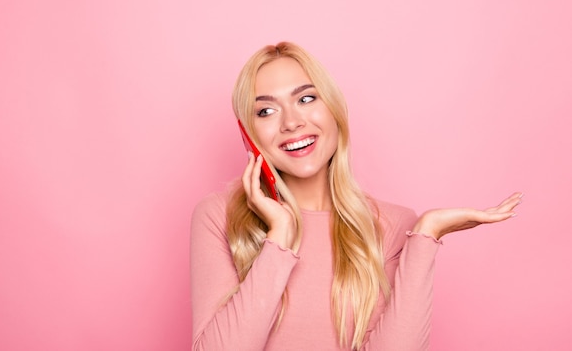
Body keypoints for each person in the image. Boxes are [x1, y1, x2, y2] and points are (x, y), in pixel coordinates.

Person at [190, 41, 521, 351]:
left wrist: (426, 235)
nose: (292, 122)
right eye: (265, 111)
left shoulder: (391, 225)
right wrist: (279, 238)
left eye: (306, 99)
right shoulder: (219, 215)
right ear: (248, 134)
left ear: (334, 109)